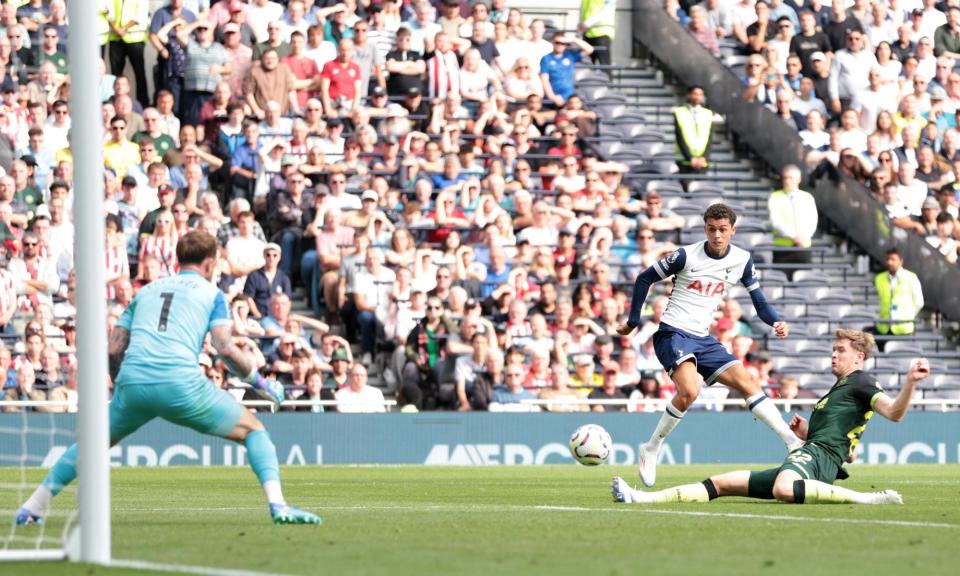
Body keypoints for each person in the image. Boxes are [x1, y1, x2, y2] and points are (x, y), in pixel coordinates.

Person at [15, 231, 320, 525]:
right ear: (211, 264)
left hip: (133, 383)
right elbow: (224, 347)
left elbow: (114, 346)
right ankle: (278, 505)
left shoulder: (146, 291)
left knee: (92, 443)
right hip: (181, 383)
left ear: (178, 260)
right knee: (254, 432)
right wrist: (261, 383)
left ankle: (32, 507)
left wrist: (123, 385)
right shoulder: (212, 294)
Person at [613, 330, 930, 506]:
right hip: (815, 456)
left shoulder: (861, 381)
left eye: (841, 350)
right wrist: (807, 429)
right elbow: (849, 445)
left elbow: (894, 412)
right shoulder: (839, 389)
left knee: (784, 489)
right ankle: (641, 498)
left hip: (816, 458)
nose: (834, 354)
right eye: (833, 349)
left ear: (858, 357)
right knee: (722, 483)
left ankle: (868, 500)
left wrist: (910, 383)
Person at [616, 203, 800, 487]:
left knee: (749, 383)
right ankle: (652, 447)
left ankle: (792, 444)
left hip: (703, 338)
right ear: (705, 229)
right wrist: (632, 320)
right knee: (690, 391)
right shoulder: (685, 256)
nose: (716, 235)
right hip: (673, 333)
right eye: (712, 229)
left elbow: (759, 301)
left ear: (732, 231)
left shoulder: (742, 259)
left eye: (723, 230)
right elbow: (644, 278)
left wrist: (775, 321)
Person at [768, 164, 818, 275]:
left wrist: (805, 236)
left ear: (799, 179)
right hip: (783, 248)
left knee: (805, 283)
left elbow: (812, 221)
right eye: (785, 177)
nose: (787, 181)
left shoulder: (807, 197)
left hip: (803, 247)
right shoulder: (775, 196)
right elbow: (775, 221)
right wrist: (794, 236)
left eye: (791, 178)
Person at [874, 248, 924, 336]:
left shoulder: (911, 277)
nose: (889, 262)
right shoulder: (879, 278)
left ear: (901, 261)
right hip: (884, 327)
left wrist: (909, 316)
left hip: (904, 328)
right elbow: (879, 301)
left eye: (893, 259)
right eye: (887, 259)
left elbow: (919, 302)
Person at [673, 85, 712, 175]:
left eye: (700, 94)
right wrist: (690, 158)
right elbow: (680, 137)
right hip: (684, 160)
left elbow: (710, 138)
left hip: (702, 162)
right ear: (689, 95)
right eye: (695, 94)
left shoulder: (708, 113)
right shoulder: (679, 112)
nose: (698, 97)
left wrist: (704, 157)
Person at [578, 0, 615, 66]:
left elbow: (607, 9)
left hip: (602, 32)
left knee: (604, 64)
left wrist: (587, 23)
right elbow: (584, 10)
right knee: (587, 64)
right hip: (587, 32)